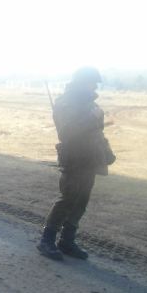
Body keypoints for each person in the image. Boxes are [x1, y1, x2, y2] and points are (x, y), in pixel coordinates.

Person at [38, 66, 116, 261]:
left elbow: (98, 132)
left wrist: (107, 151)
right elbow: (66, 133)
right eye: (91, 82)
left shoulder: (90, 104)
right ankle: (47, 240)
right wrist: (91, 119)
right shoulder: (66, 102)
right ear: (81, 82)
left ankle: (67, 240)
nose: (94, 87)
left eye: (95, 83)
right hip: (74, 157)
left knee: (82, 201)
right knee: (68, 199)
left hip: (91, 157)